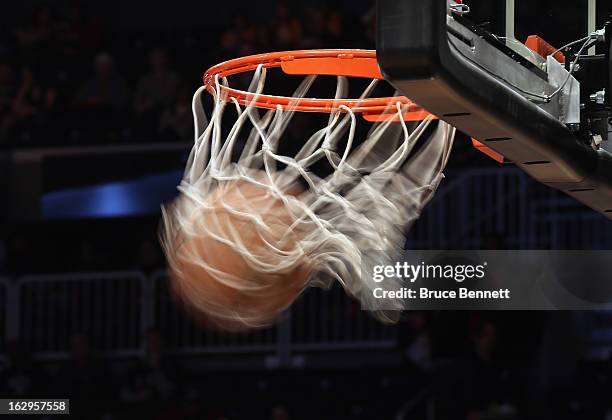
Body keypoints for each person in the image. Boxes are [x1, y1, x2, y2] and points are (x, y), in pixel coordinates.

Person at [74, 53, 129, 143]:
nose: (103, 68)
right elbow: (78, 101)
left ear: (111, 67)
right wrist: (90, 102)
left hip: (112, 118)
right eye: (100, 65)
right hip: (91, 119)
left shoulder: (119, 83)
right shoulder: (90, 84)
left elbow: (123, 101)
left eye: (105, 65)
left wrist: (105, 102)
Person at [133, 48, 180, 141]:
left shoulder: (174, 78)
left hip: (170, 114)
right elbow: (137, 104)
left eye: (160, 57)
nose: (157, 61)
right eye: (154, 58)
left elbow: (178, 98)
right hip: (150, 115)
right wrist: (146, 106)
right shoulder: (145, 80)